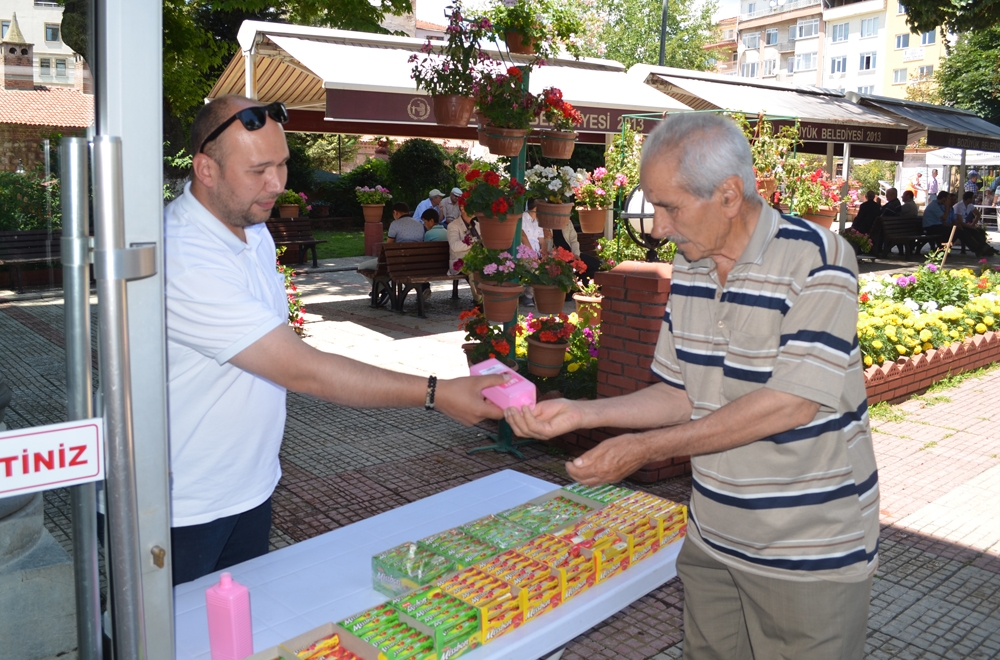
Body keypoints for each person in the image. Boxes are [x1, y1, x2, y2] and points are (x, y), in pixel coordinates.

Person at [506, 113, 878, 660]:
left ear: (729, 195)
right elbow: (678, 394)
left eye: (670, 207)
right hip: (713, 539)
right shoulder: (692, 266)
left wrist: (642, 450)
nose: (658, 228)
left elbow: (791, 403)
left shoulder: (819, 258)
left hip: (807, 551)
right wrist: (583, 413)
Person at [165, 95, 506, 585]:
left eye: (281, 165)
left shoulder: (249, 226)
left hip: (249, 488)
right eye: (259, 169)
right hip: (181, 508)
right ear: (205, 169)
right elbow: (302, 368)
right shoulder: (184, 257)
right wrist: (438, 392)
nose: (277, 185)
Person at [447, 205, 481, 303]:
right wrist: (474, 241)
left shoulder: (477, 225)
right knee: (475, 270)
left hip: (478, 259)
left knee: (492, 267)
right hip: (461, 262)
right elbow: (454, 246)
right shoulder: (453, 225)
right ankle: (480, 302)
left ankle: (492, 299)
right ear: (462, 209)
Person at [520, 199, 545, 308]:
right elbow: (523, 237)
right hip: (523, 252)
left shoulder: (539, 220)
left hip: (536, 252)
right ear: (536, 207)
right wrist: (533, 255)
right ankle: (528, 296)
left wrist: (544, 254)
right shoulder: (523, 217)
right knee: (534, 268)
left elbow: (542, 240)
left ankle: (541, 294)